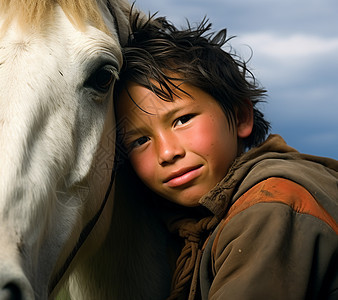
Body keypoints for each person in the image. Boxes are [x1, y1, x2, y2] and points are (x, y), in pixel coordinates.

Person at [114, 15, 338, 300]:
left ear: (241, 116)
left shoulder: (268, 209)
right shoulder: (198, 222)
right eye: (140, 140)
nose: (168, 153)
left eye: (182, 120)